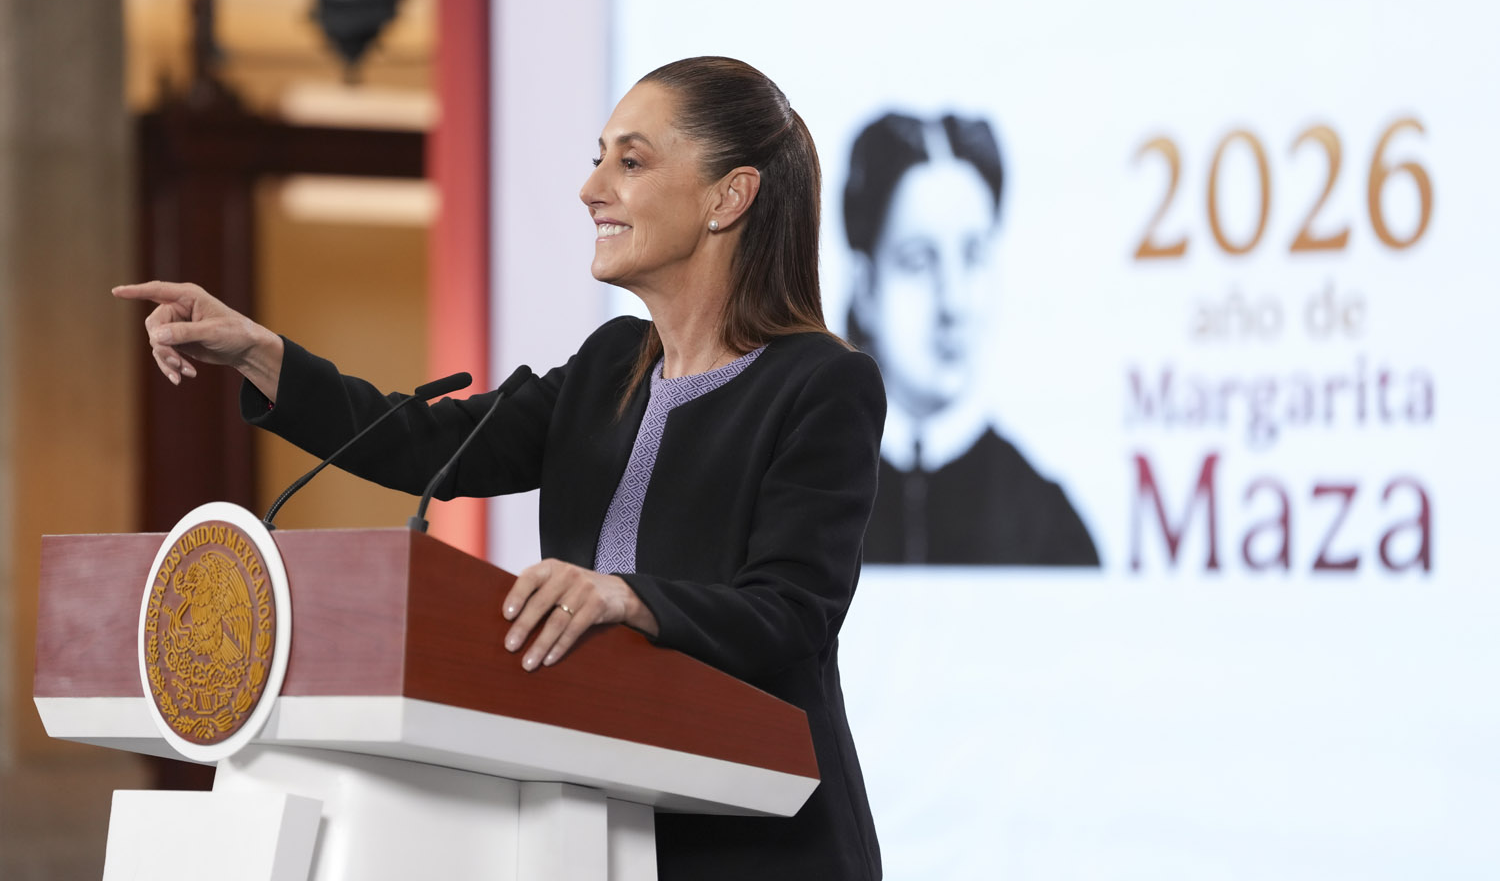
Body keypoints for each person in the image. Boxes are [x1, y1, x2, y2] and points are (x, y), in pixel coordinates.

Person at [116, 57, 884, 880]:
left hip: (760, 843)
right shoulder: (609, 364)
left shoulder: (821, 382)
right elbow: (424, 444)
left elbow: (792, 612)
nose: (591, 189)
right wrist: (259, 353)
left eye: (629, 162)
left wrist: (626, 598)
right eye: (598, 159)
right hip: (598, 834)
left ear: (728, 197)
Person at [842, 111, 1098, 566]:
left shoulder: (1048, 526)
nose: (954, 304)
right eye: (919, 262)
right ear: (866, 287)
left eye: (974, 256)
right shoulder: (803, 496)